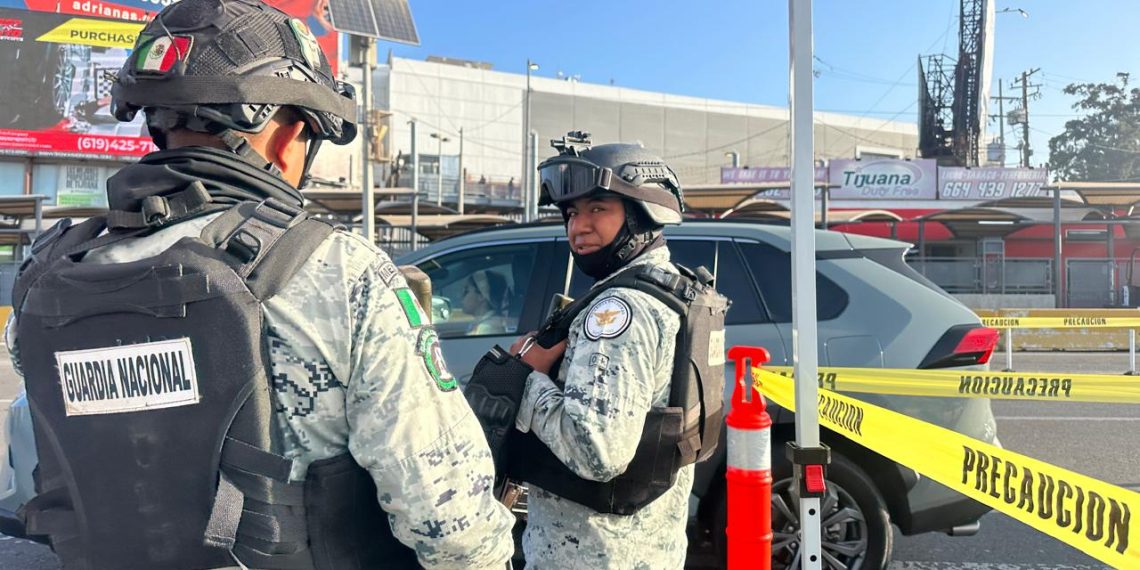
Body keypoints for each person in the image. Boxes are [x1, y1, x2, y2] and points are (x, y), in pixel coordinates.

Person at [4, 0, 515, 568]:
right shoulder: (338, 271)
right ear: (289, 133)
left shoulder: (48, 273)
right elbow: (450, 524)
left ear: (159, 123)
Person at [502, 132, 727, 569]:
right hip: (645, 547)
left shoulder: (618, 310)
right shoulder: (676, 291)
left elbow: (596, 452)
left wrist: (528, 377)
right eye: (571, 212)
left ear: (643, 213)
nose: (577, 226)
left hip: (590, 554)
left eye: (597, 209)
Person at [463, 270, 510, 335]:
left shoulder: (488, 329)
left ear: (481, 296)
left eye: (466, 291)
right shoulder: (484, 325)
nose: (462, 296)